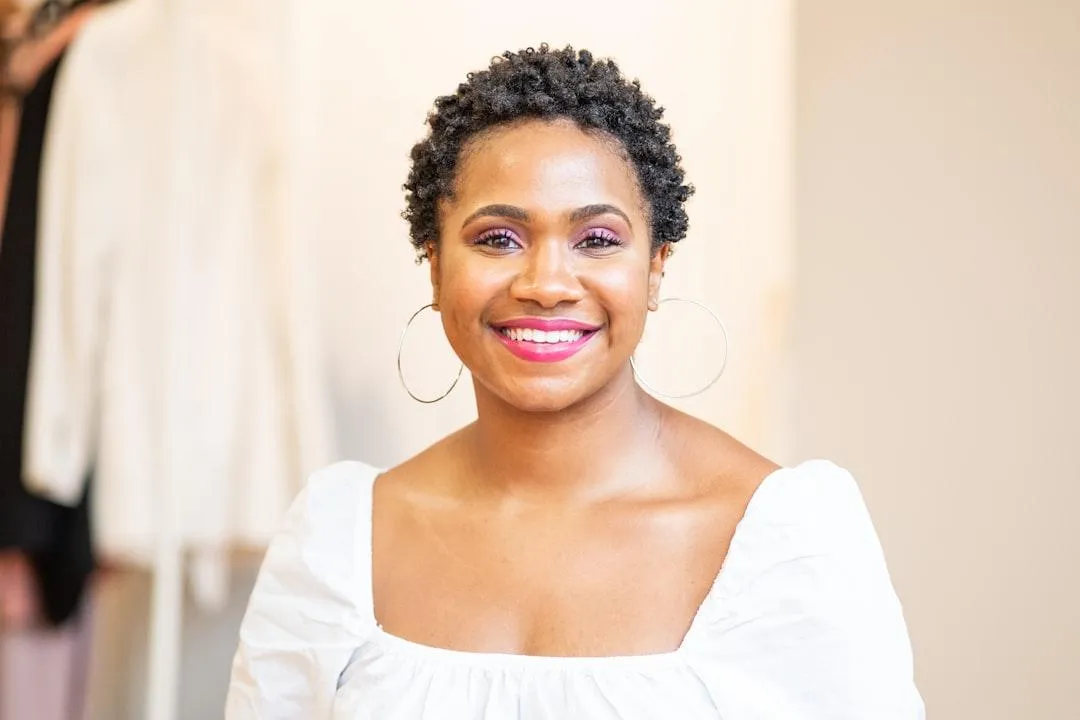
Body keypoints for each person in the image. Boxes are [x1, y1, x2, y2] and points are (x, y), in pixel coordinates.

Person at [225, 44, 924, 719]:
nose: (547, 284)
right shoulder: (338, 541)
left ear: (655, 268)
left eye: (596, 240)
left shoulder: (786, 541)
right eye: (498, 238)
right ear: (435, 268)